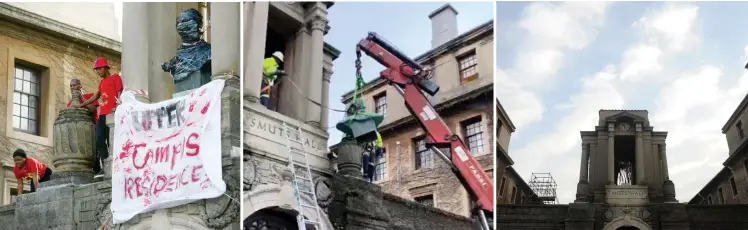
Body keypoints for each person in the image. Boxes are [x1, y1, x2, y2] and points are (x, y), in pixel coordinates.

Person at [74, 57, 123, 175]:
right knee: (99, 141)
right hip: (102, 114)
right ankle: (106, 165)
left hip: (112, 113)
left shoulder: (115, 77)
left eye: (100, 68)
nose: (98, 71)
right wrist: (82, 105)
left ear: (106, 67)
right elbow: (95, 96)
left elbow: (119, 93)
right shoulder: (101, 83)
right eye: (96, 69)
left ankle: (113, 166)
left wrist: (118, 106)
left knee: (111, 141)